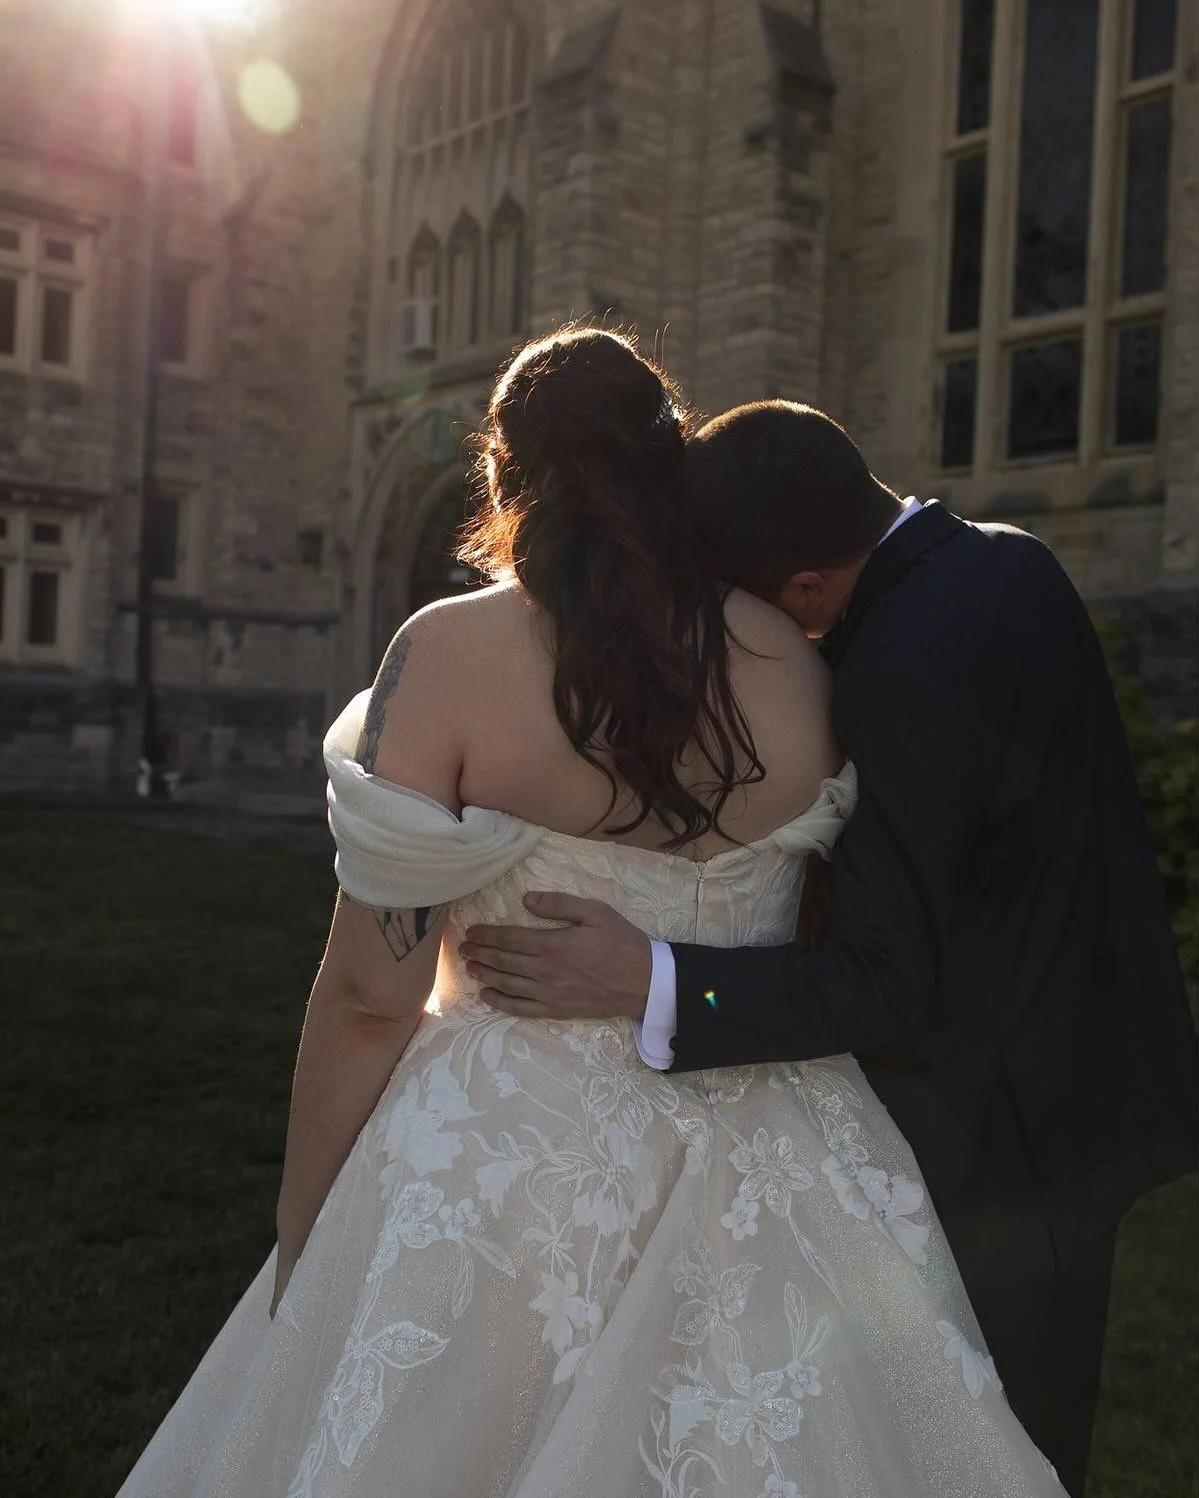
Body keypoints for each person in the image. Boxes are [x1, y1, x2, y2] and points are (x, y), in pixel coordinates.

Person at [118, 336, 1069, 1498]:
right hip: (784, 1147)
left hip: (506, 1173)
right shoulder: (798, 661)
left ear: (503, 477)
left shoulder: (451, 651)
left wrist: (307, 1238)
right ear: (670, 458)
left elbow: (373, 996)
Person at [463, 399, 1199, 1497]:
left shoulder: (899, 664)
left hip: (992, 1145)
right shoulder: (1011, 562)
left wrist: (653, 975)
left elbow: (883, 979)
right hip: (1083, 1087)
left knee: (983, 1448)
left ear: (802, 589)